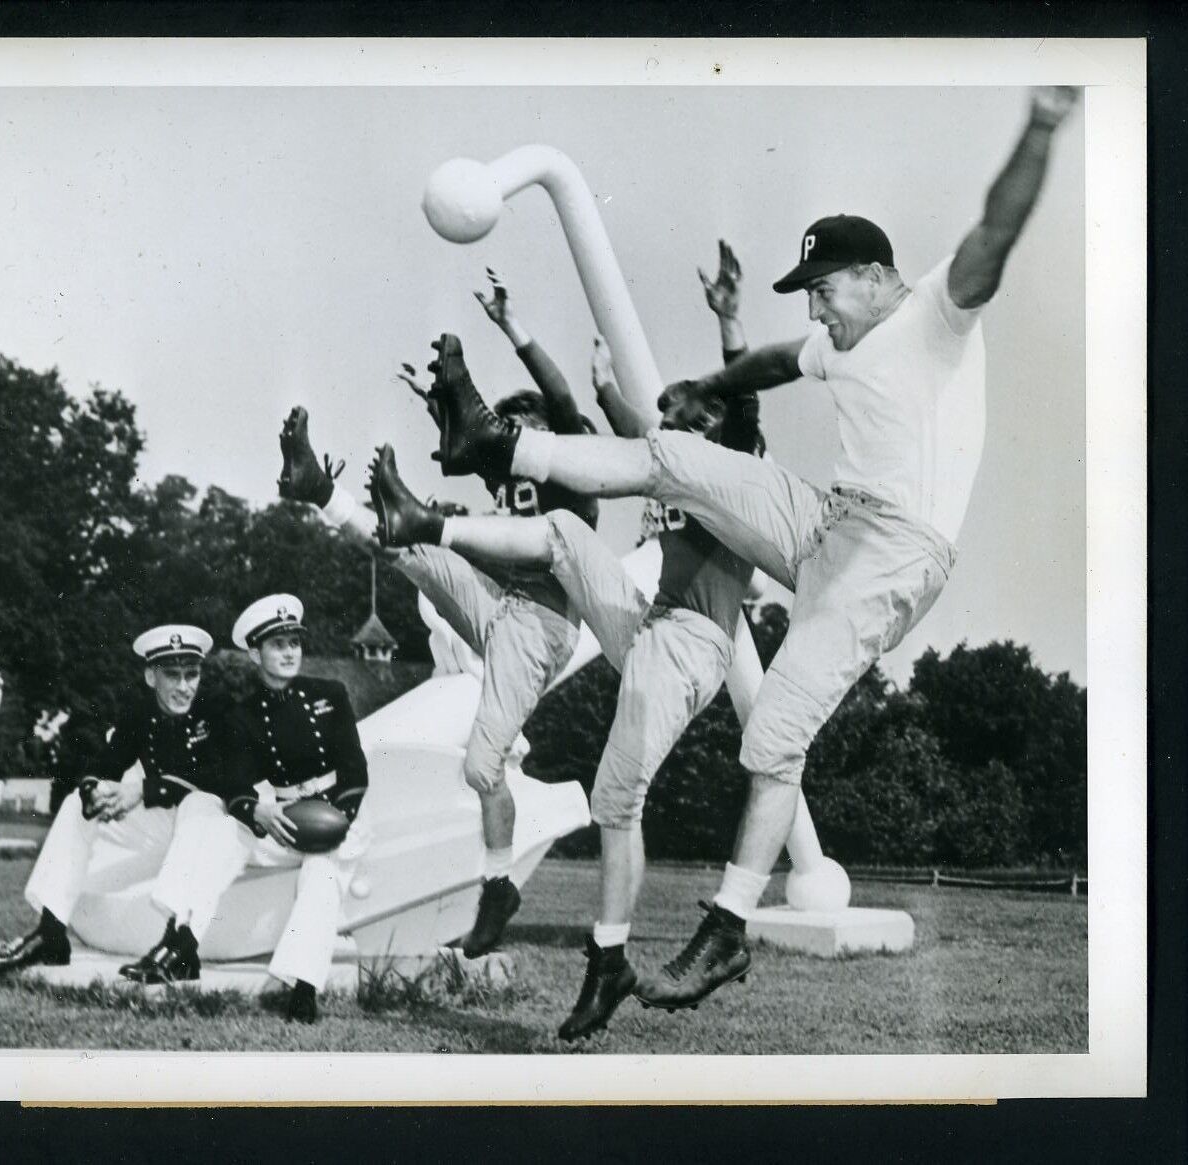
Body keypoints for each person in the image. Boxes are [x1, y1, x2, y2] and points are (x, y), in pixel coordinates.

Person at [416, 86, 1080, 1013]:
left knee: (772, 735)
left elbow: (993, 237)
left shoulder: (934, 313)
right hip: (822, 519)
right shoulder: (835, 344)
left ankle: (727, 926)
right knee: (675, 457)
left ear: (878, 276)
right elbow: (774, 363)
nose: (820, 310)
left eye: (826, 290)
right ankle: (501, 444)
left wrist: (1042, 128)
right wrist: (709, 379)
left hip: (894, 554)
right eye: (811, 296)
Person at [366, 244, 764, 1041]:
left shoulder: (735, 470)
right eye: (673, 425)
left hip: (691, 651)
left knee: (618, 803)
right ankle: (428, 524)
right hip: (644, 624)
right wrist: (599, 380)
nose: (675, 434)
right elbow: (614, 432)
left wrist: (729, 322)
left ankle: (607, 957)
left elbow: (745, 408)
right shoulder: (668, 456)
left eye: (692, 425)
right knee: (554, 528)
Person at [276, 269, 599, 961]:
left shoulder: (573, 472)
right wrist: (441, 407)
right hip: (496, 605)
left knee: (483, 769)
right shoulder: (508, 473)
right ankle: (318, 488)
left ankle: (496, 887)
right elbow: (477, 442)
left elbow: (566, 405)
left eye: (523, 431)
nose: (513, 441)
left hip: (540, 628)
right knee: (406, 544)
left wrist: (514, 330)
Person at [0, 625, 247, 985]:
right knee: (77, 805)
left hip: (213, 831)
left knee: (199, 806)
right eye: (173, 675)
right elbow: (108, 761)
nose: (185, 686)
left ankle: (181, 946)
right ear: (151, 675)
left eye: (192, 674)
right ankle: (51, 932)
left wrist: (142, 789)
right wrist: (94, 789)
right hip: (161, 828)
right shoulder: (139, 713)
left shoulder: (217, 709)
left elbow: (222, 777)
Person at [216, 594, 370, 1024]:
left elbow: (355, 769)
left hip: (338, 812)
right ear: (254, 653)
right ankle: (186, 934)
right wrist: (258, 813)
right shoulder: (243, 716)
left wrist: (339, 818)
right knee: (221, 832)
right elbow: (235, 785)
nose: (289, 653)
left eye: (294, 643)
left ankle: (302, 988)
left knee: (321, 870)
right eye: (277, 644)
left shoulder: (329, 694)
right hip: (285, 815)